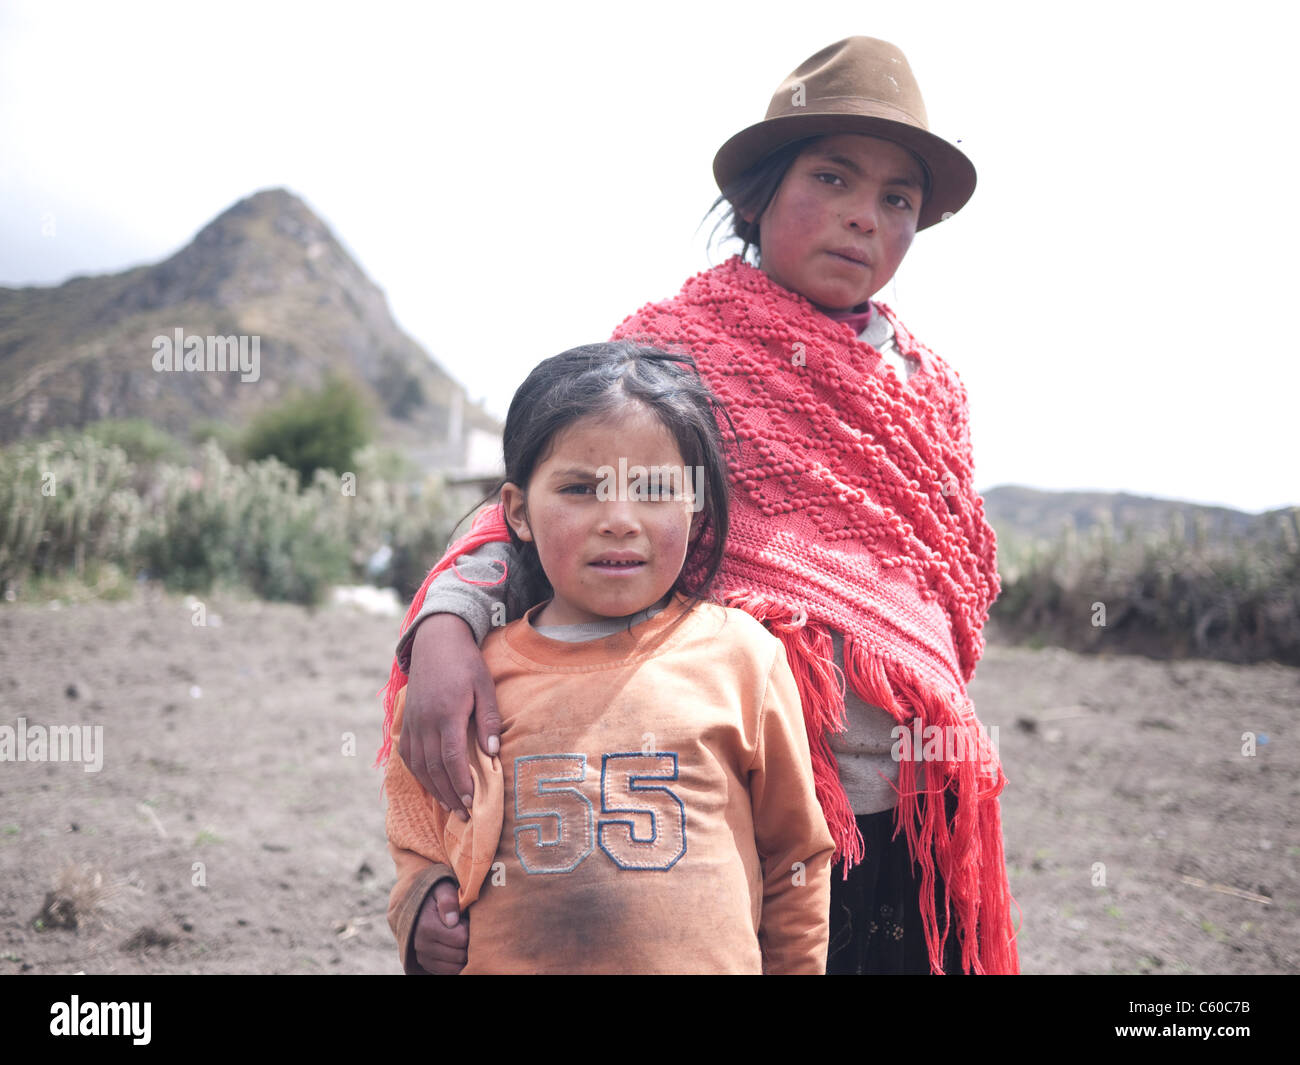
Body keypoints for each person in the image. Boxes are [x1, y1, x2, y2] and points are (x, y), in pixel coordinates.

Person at [384, 36, 1019, 975]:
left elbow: (942, 584)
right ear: (758, 194)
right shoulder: (671, 356)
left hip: (914, 808)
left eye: (897, 198)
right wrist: (443, 623)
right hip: (728, 795)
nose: (862, 217)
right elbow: (542, 497)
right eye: (833, 178)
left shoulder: (929, 392)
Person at [380, 341, 835, 974]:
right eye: (580, 488)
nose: (619, 519)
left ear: (695, 504)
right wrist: (421, 904)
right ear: (517, 512)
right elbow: (419, 833)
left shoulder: (742, 659)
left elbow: (795, 856)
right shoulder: (469, 681)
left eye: (653, 489)